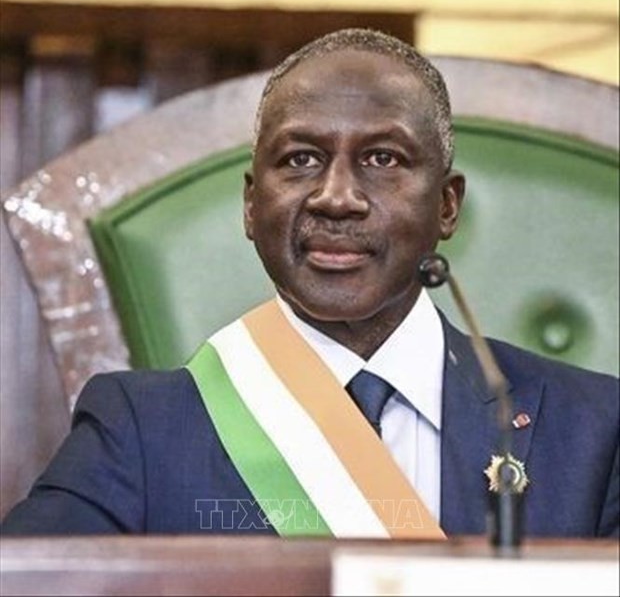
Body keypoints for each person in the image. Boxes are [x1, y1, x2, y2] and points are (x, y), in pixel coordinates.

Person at [2, 28, 618, 539]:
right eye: (300, 159)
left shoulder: (593, 429)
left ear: (447, 207)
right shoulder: (138, 429)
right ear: (251, 206)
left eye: (383, 159)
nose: (336, 197)